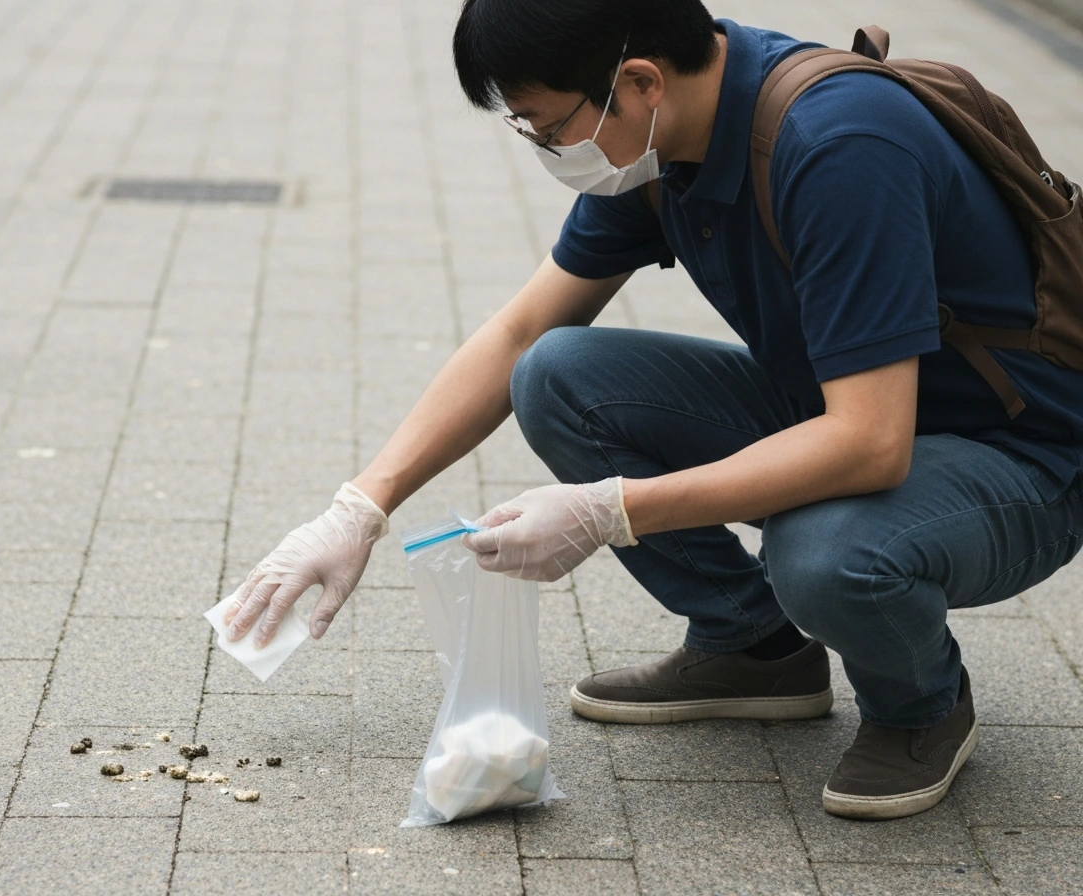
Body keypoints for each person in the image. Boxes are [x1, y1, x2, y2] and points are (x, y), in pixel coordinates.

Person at [221, 0, 1083, 820]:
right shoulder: (664, 147)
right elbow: (523, 327)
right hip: (846, 403)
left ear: (640, 82)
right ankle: (757, 650)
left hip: (1013, 457)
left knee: (822, 552)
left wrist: (611, 511)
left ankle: (921, 706)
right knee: (557, 374)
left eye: (551, 125)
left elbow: (869, 445)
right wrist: (361, 507)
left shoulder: (837, 145)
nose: (548, 147)